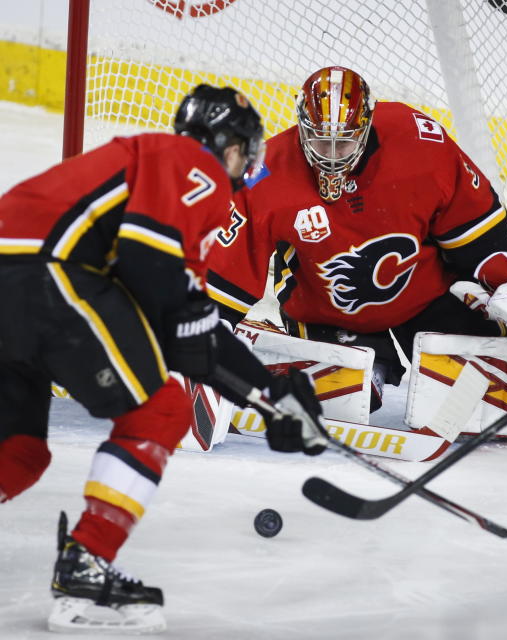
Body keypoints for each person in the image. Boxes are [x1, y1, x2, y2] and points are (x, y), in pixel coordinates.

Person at [0, 85, 325, 634]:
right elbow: (158, 280)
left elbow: (188, 329)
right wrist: (269, 396)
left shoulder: (152, 175)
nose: (249, 164)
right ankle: (87, 562)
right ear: (226, 147)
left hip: (20, 277)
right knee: (162, 411)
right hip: (48, 275)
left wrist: (270, 398)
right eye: (246, 151)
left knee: (21, 452)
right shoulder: (190, 165)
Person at [206, 66, 507, 412]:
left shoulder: (416, 140)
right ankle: (281, 358)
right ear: (301, 128)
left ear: (366, 128)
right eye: (320, 142)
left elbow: (474, 225)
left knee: (481, 395)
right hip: (328, 314)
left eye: (344, 144)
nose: (332, 157)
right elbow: (227, 273)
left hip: (426, 298)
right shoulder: (263, 174)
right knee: (348, 401)